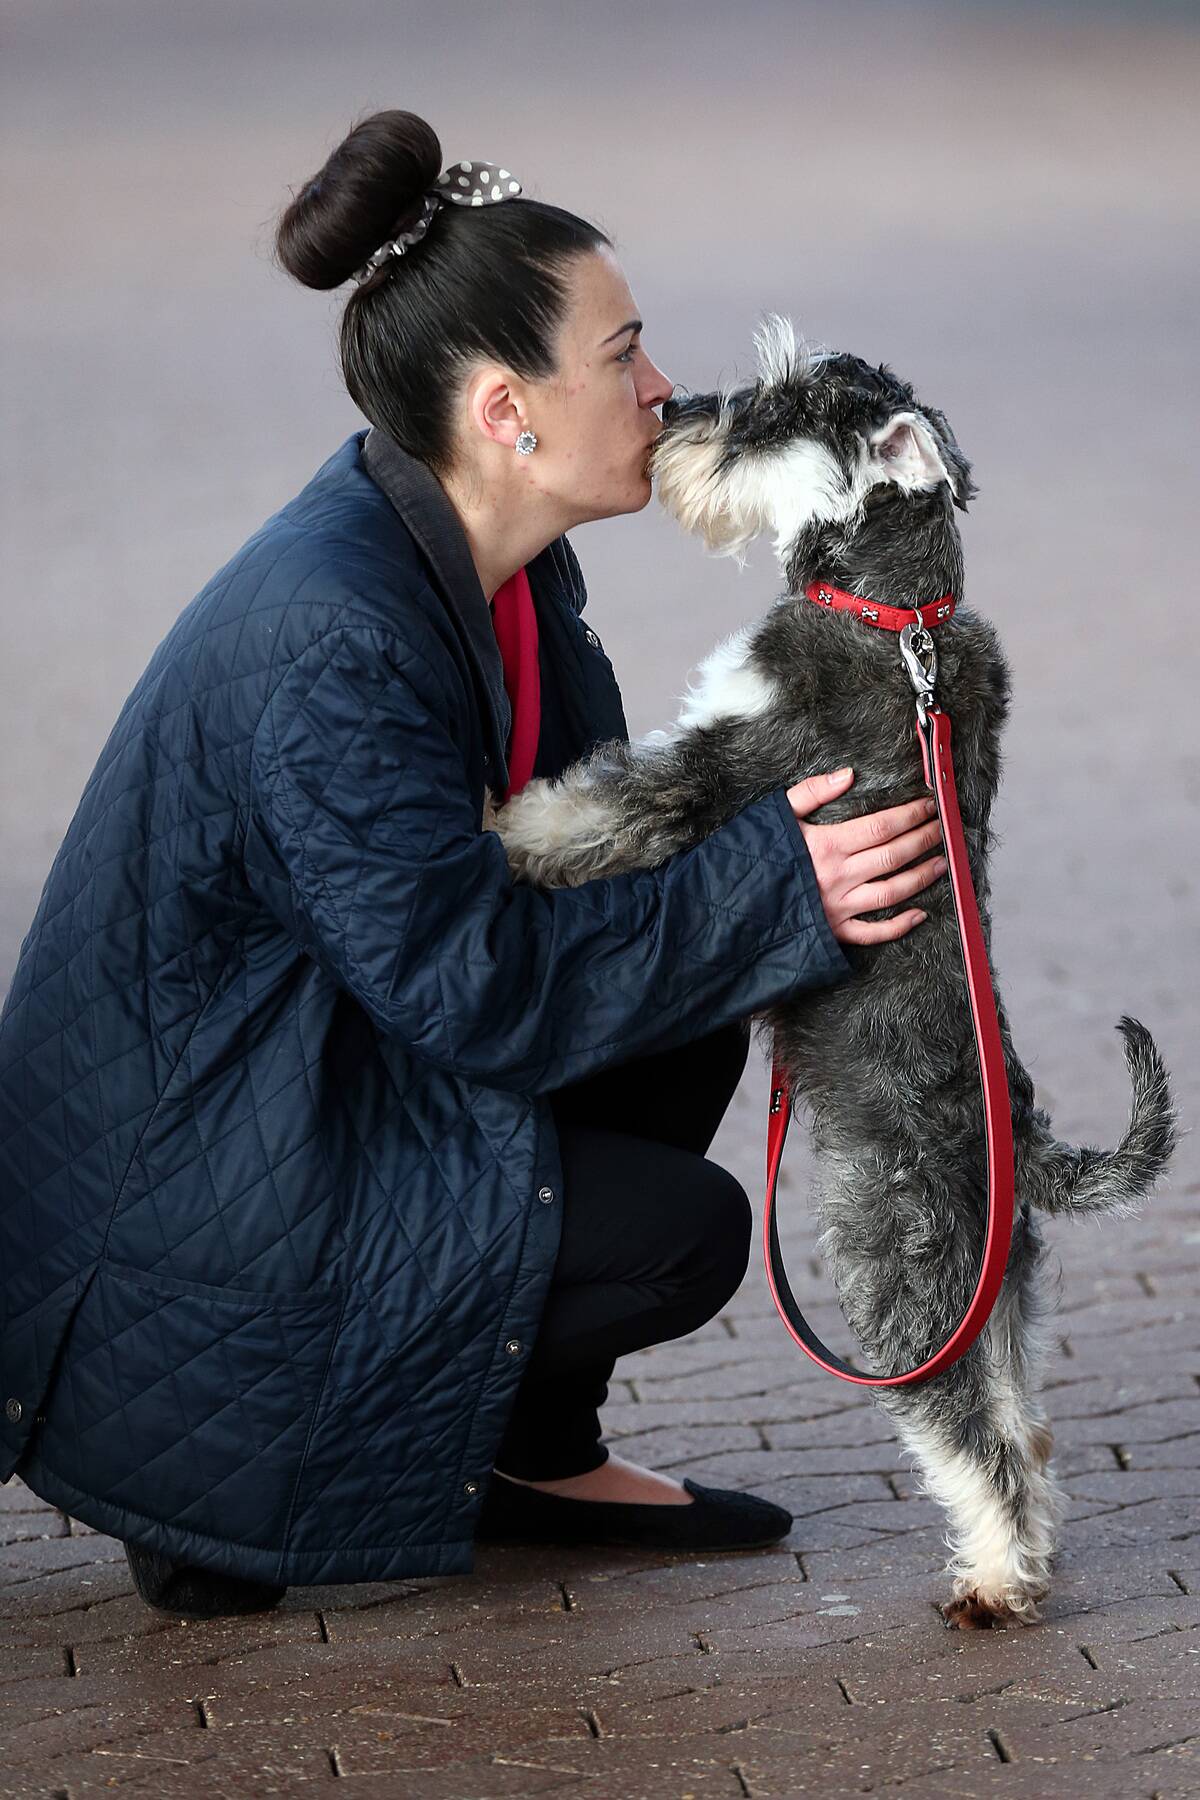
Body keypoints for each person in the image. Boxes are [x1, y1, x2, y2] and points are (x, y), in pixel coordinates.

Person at [0, 110, 946, 1618]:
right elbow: (475, 986)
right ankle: (221, 1469)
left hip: (327, 1069)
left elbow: (570, 874)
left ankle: (532, 1457)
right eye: (622, 355)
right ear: (507, 411)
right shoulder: (337, 636)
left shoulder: (494, 562)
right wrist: (779, 887)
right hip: (199, 1197)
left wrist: (782, 811)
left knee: (700, 970)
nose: (662, 387)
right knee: (683, 1232)